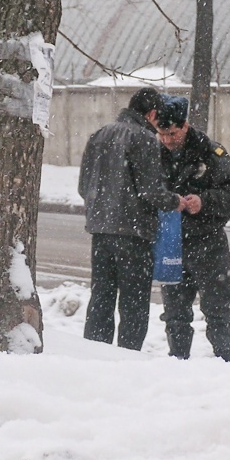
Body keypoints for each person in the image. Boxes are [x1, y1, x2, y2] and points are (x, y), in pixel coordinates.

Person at [78, 87, 186, 350]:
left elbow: (84, 186)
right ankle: (127, 357)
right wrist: (175, 201)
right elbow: (150, 191)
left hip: (101, 232)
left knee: (101, 297)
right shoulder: (144, 139)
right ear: (151, 113)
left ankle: (95, 352)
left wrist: (103, 207)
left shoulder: (99, 135)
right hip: (134, 234)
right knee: (134, 303)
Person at [155, 95, 230, 361]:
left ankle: (223, 361)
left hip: (208, 243)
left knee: (217, 308)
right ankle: (178, 360)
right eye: (162, 133)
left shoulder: (211, 152)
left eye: (172, 133)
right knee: (174, 312)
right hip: (172, 242)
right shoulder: (154, 153)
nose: (168, 140)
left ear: (184, 126)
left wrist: (204, 202)